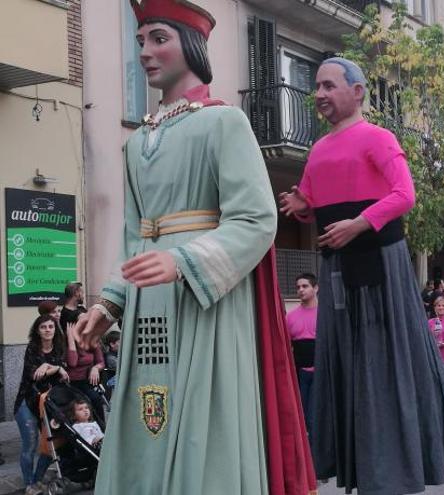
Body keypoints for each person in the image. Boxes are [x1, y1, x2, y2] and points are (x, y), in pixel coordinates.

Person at [73, 1, 316, 493]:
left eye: (158, 38)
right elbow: (134, 234)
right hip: (148, 303)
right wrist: (108, 301)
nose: (145, 51)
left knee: (207, 418)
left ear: (192, 44)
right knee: (145, 412)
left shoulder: (224, 122)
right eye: (140, 40)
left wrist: (182, 259)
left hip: (206, 302)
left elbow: (256, 219)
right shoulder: (137, 143)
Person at [279, 56, 444, 493]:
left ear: (358, 91)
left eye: (329, 86)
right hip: (336, 270)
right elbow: (312, 201)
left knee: (383, 365)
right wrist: (300, 206)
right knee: (347, 364)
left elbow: (405, 195)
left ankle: (393, 469)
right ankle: (359, 464)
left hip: (379, 268)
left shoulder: (379, 138)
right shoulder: (318, 150)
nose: (320, 94)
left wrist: (359, 223)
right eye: (318, 87)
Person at [14, 315, 69, 495]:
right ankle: (30, 484)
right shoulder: (32, 348)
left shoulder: (59, 347)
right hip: (27, 402)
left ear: (55, 329)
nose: (47, 330)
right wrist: (54, 368)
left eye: (50, 327)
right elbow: (35, 375)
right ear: (37, 330)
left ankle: (38, 480)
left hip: (48, 403)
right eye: (43, 327)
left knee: (49, 445)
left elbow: (63, 367)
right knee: (30, 444)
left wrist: (52, 366)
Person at [286, 273, 319, 433]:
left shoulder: (325, 315)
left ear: (316, 288)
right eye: (298, 287)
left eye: (305, 286)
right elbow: (286, 347)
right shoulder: (290, 317)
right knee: (303, 417)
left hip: (321, 374)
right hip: (300, 375)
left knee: (316, 417)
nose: (300, 289)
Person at [66, 318, 106, 422]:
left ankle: (102, 429)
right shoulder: (66, 343)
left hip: (86, 381)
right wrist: (71, 338)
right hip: (71, 383)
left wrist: (95, 368)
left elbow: (101, 362)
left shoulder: (91, 342)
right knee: (84, 402)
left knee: (96, 399)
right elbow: (72, 362)